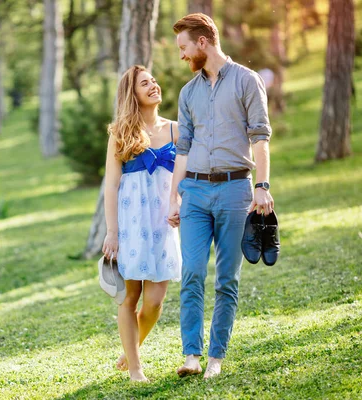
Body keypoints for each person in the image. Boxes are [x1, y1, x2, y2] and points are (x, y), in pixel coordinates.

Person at [168, 13, 274, 379]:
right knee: (192, 273)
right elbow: (183, 148)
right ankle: (191, 356)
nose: (181, 55)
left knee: (227, 278)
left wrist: (262, 186)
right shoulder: (188, 92)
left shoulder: (247, 81)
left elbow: (260, 137)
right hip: (194, 191)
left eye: (183, 47)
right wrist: (173, 197)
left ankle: (216, 357)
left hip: (234, 189)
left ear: (202, 43)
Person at [102, 65, 182, 382]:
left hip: (163, 221)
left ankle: (130, 347)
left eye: (154, 81)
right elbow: (111, 184)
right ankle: (135, 368)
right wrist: (112, 232)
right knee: (130, 298)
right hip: (132, 220)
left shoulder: (176, 129)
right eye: (144, 83)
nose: (153, 86)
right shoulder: (120, 133)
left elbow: (188, 172)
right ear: (132, 94)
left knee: (154, 302)